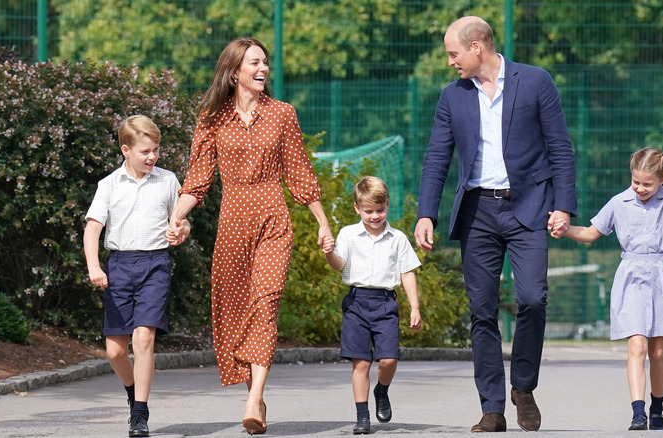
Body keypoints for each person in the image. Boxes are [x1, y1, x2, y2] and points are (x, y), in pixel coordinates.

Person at [414, 16, 577, 432]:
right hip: (477, 214)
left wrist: (564, 206)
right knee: (482, 311)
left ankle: (523, 386)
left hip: (529, 208)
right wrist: (426, 213)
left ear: (477, 48)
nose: (450, 62)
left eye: (453, 53)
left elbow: (560, 148)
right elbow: (437, 156)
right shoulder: (453, 97)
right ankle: (492, 407)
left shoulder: (536, 81)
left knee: (533, 298)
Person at [167, 37, 332, 435]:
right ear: (234, 71)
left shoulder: (282, 114)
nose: (263, 70)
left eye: (265, 63)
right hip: (232, 223)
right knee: (238, 311)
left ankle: (254, 396)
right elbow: (198, 178)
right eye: (254, 63)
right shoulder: (212, 118)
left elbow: (299, 172)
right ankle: (254, 391)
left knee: (266, 302)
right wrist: (176, 217)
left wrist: (323, 222)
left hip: (273, 218)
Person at [554, 148, 663, 431]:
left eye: (647, 183)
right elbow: (590, 233)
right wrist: (565, 229)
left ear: (662, 179)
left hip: (662, 276)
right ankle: (638, 412)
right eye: (636, 181)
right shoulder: (619, 202)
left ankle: (657, 410)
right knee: (636, 345)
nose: (640, 188)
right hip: (631, 277)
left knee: (658, 350)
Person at [83, 115, 191, 437]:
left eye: (156, 149)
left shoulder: (168, 181)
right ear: (125, 150)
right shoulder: (109, 185)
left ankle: (140, 415)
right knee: (115, 351)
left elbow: (181, 222)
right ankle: (133, 395)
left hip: (155, 264)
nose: (152, 157)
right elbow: (92, 230)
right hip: (118, 266)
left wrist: (182, 229)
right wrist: (94, 266)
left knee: (143, 336)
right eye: (145, 151)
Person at [321, 176, 422, 435]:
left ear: (387, 205)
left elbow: (407, 272)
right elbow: (339, 264)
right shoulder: (348, 234)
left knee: (388, 359)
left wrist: (415, 308)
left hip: (385, 303)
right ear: (357, 208)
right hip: (356, 302)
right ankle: (362, 416)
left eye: (380, 210)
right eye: (368, 211)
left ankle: (382, 389)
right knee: (361, 362)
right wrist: (329, 253)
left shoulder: (397, 238)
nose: (375, 216)